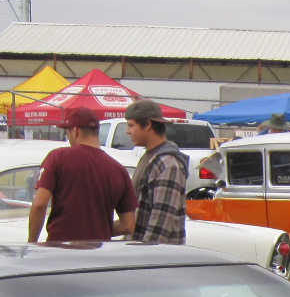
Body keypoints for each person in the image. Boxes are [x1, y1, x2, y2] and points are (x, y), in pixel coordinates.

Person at [27, 106, 137, 243]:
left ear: (75, 131)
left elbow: (39, 205)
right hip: (99, 251)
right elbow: (128, 225)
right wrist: (97, 231)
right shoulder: (119, 170)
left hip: (60, 248)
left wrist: (32, 243)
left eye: (67, 133)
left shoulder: (58, 157)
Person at [123, 98, 187, 245]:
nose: (128, 131)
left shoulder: (168, 164)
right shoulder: (150, 157)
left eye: (131, 125)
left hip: (155, 255)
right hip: (142, 252)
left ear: (148, 124)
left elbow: (160, 223)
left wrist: (146, 253)